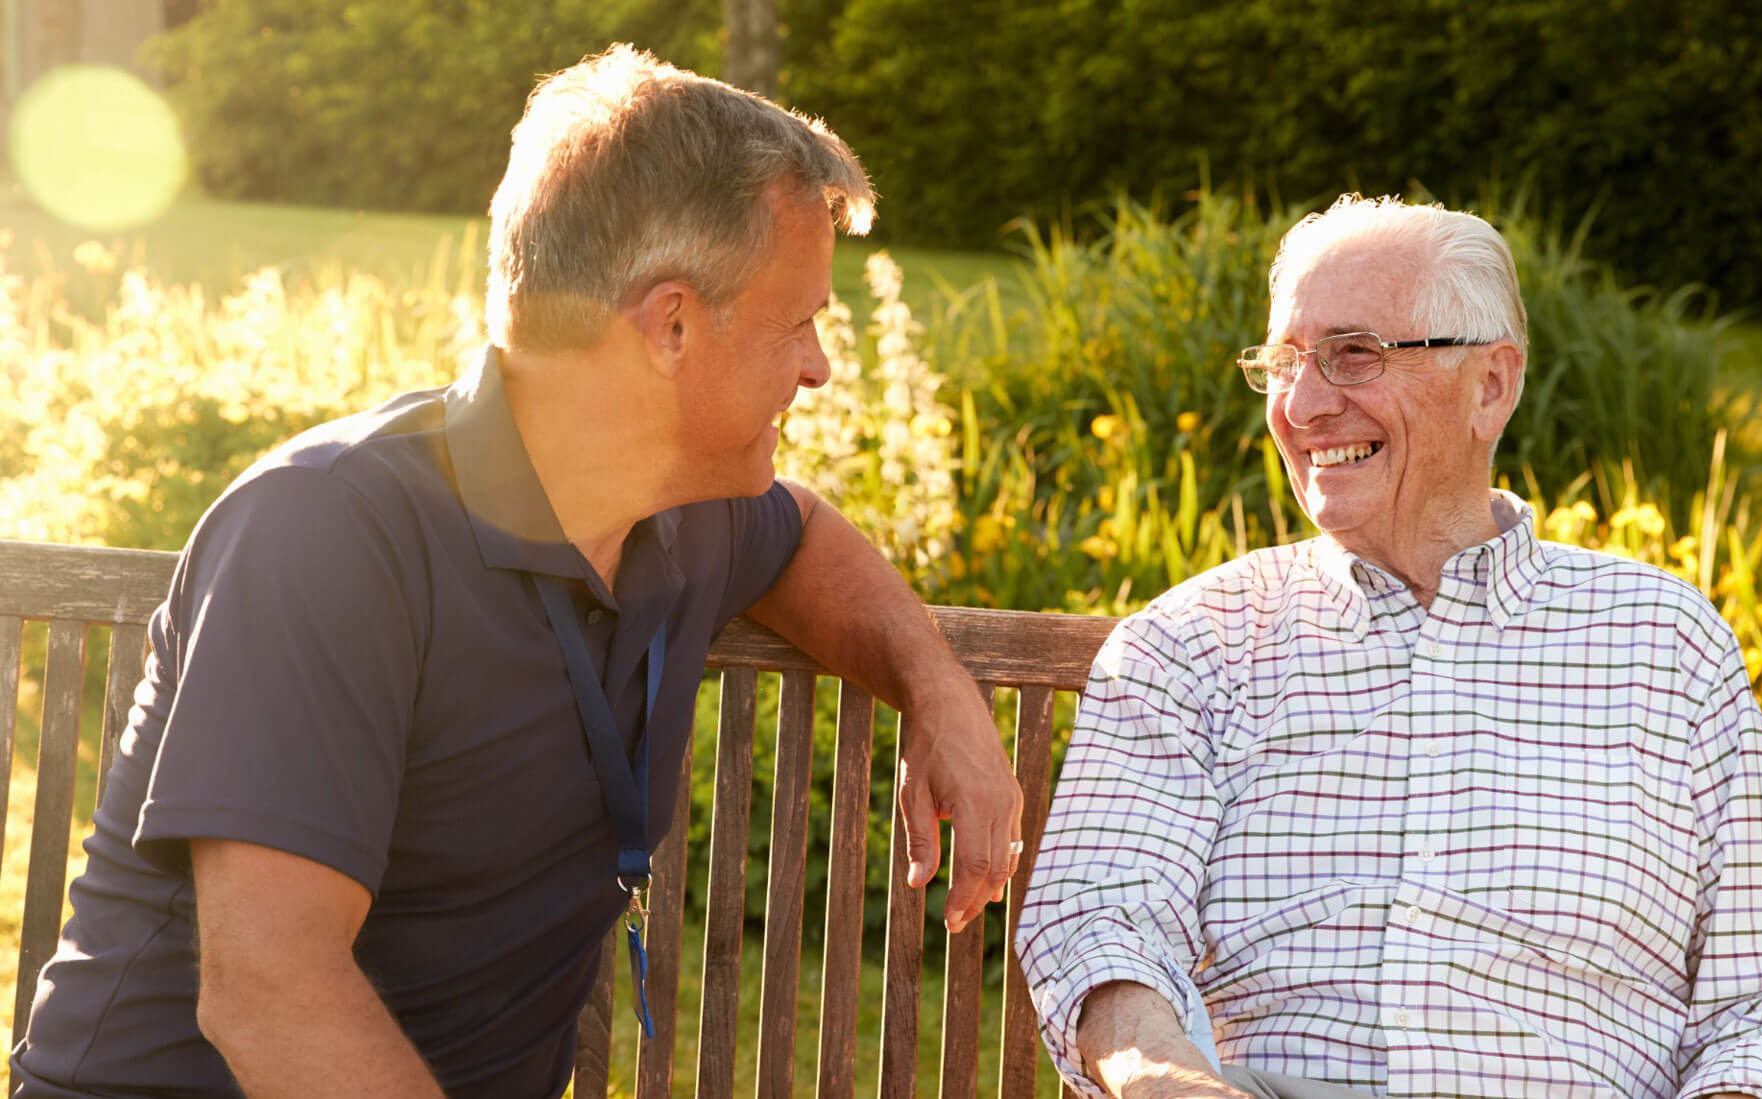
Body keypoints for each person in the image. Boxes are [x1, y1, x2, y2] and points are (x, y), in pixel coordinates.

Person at [12, 46, 1021, 1097]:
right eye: (800, 321)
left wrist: (939, 690)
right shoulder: (327, 533)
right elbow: (269, 989)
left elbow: (806, 535)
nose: (819, 364)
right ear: (670, 325)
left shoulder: (680, 513)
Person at [1014, 194, 1762, 1099]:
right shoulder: (1190, 647)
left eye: (1353, 355)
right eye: (1283, 363)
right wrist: (1169, 1083)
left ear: (1491, 385)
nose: (1302, 406)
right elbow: (1099, 923)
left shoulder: (1665, 645)